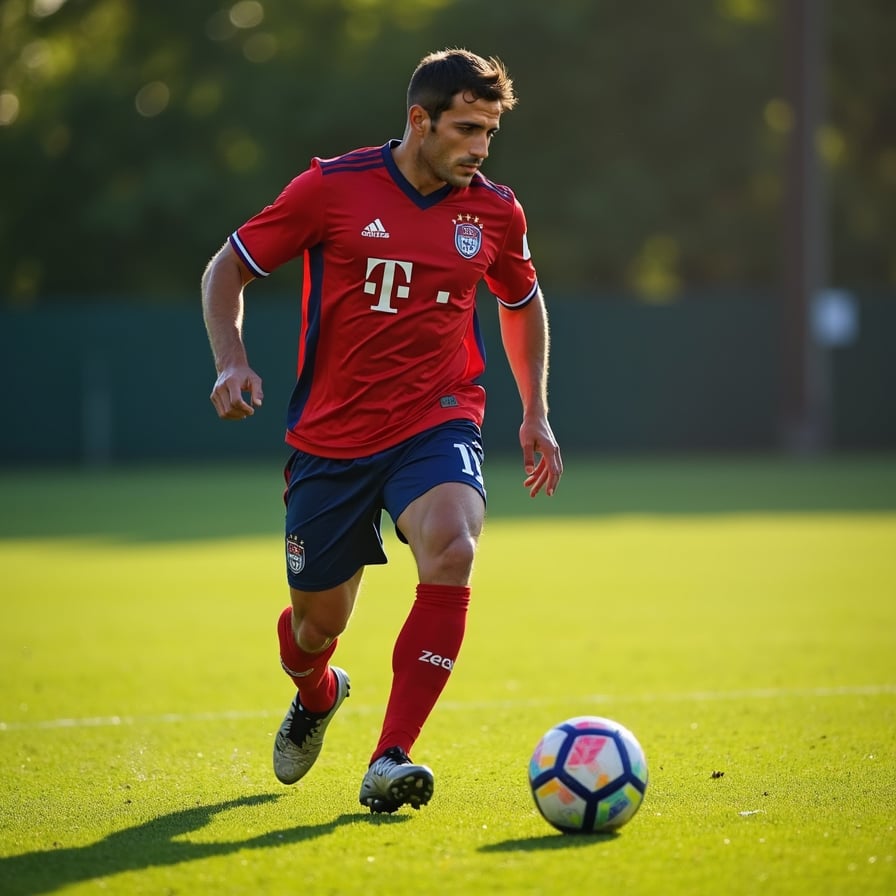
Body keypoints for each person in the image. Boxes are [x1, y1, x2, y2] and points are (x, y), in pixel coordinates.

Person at [201, 48, 563, 814]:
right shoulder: (332, 188)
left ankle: (390, 756)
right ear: (418, 120)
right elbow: (225, 270)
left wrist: (534, 411)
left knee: (454, 545)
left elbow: (521, 301)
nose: (480, 147)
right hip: (330, 439)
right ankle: (318, 693)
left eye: (491, 131)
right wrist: (231, 362)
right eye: (467, 128)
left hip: (438, 417)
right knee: (313, 626)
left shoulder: (496, 211)